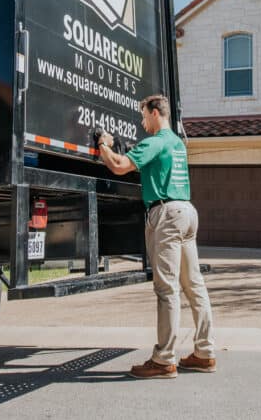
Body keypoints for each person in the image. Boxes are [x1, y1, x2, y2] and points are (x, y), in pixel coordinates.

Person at [97, 94, 216, 379]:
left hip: (167, 215)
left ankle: (164, 360)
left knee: (167, 289)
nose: (141, 122)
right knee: (194, 285)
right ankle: (205, 353)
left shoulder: (156, 141)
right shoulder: (177, 143)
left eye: (142, 116)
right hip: (187, 211)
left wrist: (103, 143)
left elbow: (118, 166)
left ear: (154, 112)